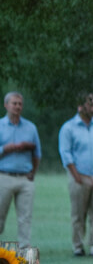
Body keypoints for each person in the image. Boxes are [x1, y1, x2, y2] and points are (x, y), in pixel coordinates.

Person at [58, 91, 93, 257]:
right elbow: (65, 153)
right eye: (90, 103)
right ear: (80, 106)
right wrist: (77, 176)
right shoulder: (69, 128)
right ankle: (78, 245)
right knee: (78, 213)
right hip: (79, 177)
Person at [0, 91, 41, 249]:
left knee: (25, 217)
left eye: (20, 104)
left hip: (25, 178)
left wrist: (33, 172)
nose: (17, 106)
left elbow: (37, 154)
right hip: (4, 176)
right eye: (14, 103)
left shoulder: (31, 127)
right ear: (6, 105)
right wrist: (5, 148)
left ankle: (25, 250)